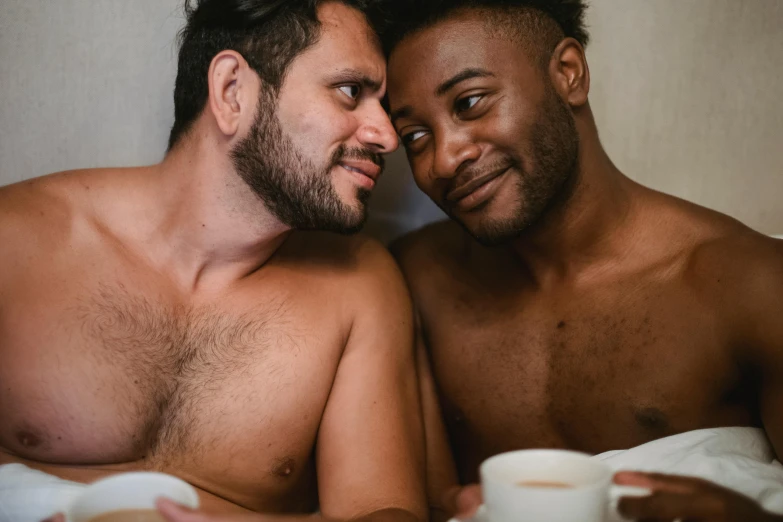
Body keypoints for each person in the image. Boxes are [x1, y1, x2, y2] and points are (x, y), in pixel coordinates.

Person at [0, 1, 427, 520]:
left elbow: (383, 511)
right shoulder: (14, 240)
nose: (386, 136)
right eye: (350, 92)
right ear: (232, 91)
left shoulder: (359, 286)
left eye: (383, 106)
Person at [378, 0, 783, 520]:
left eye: (471, 102)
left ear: (569, 73)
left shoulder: (749, 285)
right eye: (415, 136)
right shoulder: (420, 282)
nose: (445, 158)